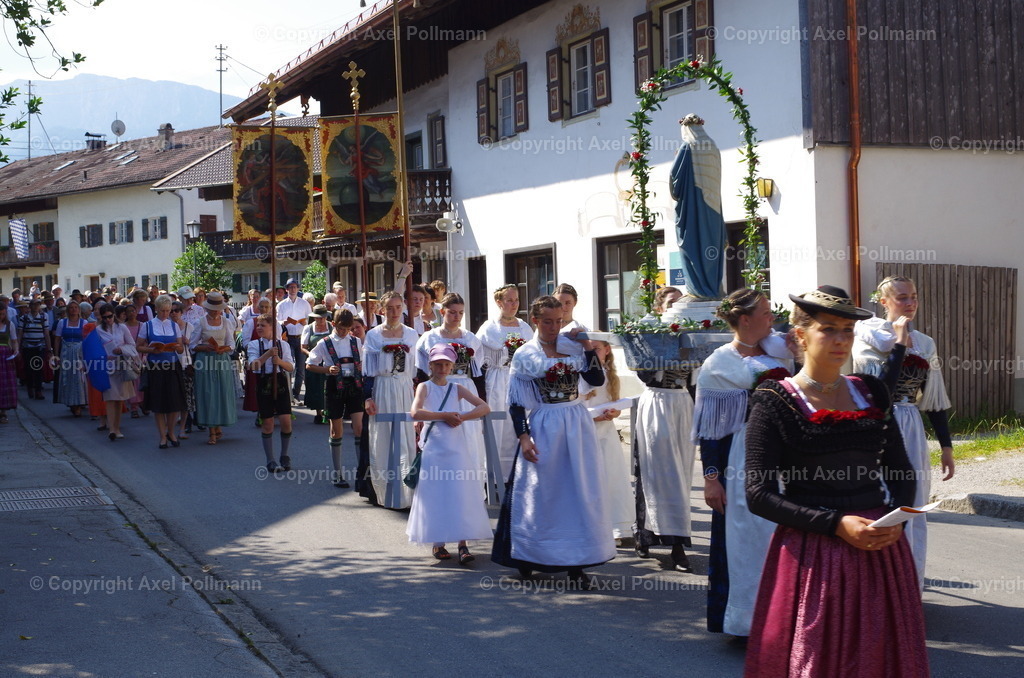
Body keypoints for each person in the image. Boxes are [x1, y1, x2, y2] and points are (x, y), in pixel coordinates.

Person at [743, 286, 927, 678]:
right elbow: (759, 494)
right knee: (819, 658)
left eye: (847, 330)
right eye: (828, 329)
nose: (841, 339)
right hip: (814, 552)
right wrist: (835, 524)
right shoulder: (774, 399)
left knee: (882, 657)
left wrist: (896, 521)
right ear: (800, 335)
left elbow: (900, 469)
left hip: (880, 548)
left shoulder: (871, 391)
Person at [491, 295, 614, 589]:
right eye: (547, 321)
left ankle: (577, 564)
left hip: (576, 421)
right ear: (535, 320)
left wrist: (587, 345)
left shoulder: (573, 347)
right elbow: (516, 403)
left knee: (577, 490)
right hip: (545, 423)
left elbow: (597, 380)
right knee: (541, 492)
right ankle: (530, 556)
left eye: (558, 321)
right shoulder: (525, 354)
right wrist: (524, 437)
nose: (554, 327)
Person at [693, 287, 795, 636]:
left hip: (785, 454)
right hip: (743, 457)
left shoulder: (780, 353)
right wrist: (711, 478)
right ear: (746, 320)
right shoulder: (719, 364)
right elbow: (710, 431)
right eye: (766, 312)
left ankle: (787, 617)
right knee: (746, 539)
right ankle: (747, 621)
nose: (772, 318)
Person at [853, 275, 954, 585]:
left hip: (910, 424)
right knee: (882, 498)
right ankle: (878, 583)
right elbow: (879, 388)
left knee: (914, 502)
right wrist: (898, 343)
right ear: (884, 302)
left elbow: (933, 398)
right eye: (902, 298)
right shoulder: (867, 336)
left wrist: (946, 447)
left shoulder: (925, 343)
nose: (910, 303)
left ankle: (909, 583)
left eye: (914, 296)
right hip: (877, 423)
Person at [631, 287, 699, 571]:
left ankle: (675, 541)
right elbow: (644, 372)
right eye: (671, 303)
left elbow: (695, 380)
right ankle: (649, 535)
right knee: (656, 471)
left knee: (681, 473)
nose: (676, 307)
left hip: (682, 403)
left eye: (679, 303)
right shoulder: (651, 331)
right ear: (659, 308)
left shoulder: (692, 333)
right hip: (657, 401)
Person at [408, 343, 492, 564]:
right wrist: (444, 415)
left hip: (456, 447)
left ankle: (463, 543)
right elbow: (415, 412)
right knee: (436, 492)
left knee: (459, 492)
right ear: (430, 365)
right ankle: (438, 541)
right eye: (438, 364)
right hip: (435, 447)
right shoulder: (424, 387)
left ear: (452, 366)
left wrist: (462, 417)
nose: (442, 368)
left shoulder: (457, 388)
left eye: (446, 364)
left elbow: (484, 407)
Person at [414, 293, 486, 480]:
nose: (457, 317)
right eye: (452, 312)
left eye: (461, 313)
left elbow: (478, 374)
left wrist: (479, 406)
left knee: (468, 438)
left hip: (465, 388)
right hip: (438, 388)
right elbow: (421, 374)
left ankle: (469, 485)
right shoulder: (430, 338)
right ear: (443, 312)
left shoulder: (470, 338)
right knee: (442, 436)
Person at [361, 292, 420, 506]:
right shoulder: (374, 336)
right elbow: (367, 370)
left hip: (405, 389)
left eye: (397, 307)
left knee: (406, 438)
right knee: (383, 438)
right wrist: (368, 397)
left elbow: (418, 369)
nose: (394, 312)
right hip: (383, 388)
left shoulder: (411, 334)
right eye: (389, 308)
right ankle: (386, 493)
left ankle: (407, 495)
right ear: (382, 309)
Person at [475, 284, 534, 480]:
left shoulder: (524, 327)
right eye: (509, 300)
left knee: (518, 424)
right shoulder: (489, 328)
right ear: (499, 302)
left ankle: (519, 475)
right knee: (498, 426)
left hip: (520, 380)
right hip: (498, 381)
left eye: (516, 300)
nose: (514, 304)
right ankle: (495, 477)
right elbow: (479, 360)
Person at [582, 340, 634, 542]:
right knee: (590, 478)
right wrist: (594, 417)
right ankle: (593, 527)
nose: (592, 353)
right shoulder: (584, 374)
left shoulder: (612, 375)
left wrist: (614, 413)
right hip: (587, 430)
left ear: (607, 350)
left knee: (611, 477)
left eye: (596, 349)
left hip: (607, 433)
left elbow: (615, 403)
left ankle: (616, 527)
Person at [137, 295, 186, 449]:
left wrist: (177, 347)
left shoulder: (174, 326)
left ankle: (171, 432)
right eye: (162, 311)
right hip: (156, 367)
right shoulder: (147, 325)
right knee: (158, 403)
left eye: (168, 311)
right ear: (156, 309)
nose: (165, 314)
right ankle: (162, 436)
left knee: (174, 402)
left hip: (172, 366)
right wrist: (152, 350)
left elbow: (181, 348)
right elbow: (138, 346)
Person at [248, 313, 295, 472]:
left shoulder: (283, 345)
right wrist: (267, 354)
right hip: (264, 383)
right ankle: (270, 459)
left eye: (263, 325)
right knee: (267, 423)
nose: (259, 328)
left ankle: (285, 455)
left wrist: (279, 361)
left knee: (286, 421)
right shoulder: (254, 345)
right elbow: (253, 366)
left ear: (272, 327)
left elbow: (290, 367)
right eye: (258, 325)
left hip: (280, 381)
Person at [191, 292, 238, 444]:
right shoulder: (200, 322)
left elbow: (231, 344)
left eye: (218, 309)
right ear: (207, 308)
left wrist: (223, 349)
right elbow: (192, 345)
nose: (216, 312)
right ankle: (211, 431)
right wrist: (206, 347)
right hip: (205, 361)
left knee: (221, 392)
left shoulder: (226, 322)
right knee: (208, 394)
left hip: (221, 360)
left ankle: (218, 426)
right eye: (213, 309)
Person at [94, 304, 137, 441]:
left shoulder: (122, 327)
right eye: (105, 317)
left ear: (114, 315)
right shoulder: (98, 330)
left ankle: (117, 428)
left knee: (119, 399)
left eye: (110, 316)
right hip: (107, 367)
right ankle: (112, 429)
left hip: (122, 365)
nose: (108, 320)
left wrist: (121, 349)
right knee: (110, 398)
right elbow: (94, 348)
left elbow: (132, 345)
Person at [277, 278, 312, 403]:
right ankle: (288, 394)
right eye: (290, 287)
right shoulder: (281, 305)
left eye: (294, 287)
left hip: (301, 337)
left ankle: (296, 394)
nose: (292, 289)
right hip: (287, 338)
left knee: (301, 368)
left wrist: (304, 322)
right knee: (289, 366)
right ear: (286, 290)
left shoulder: (304, 304)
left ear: (298, 289)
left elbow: (310, 320)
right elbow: (277, 322)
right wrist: (284, 322)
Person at [52, 300, 89, 416]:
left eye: (75, 307)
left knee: (79, 377)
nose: (73, 310)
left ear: (79, 310)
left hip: (79, 353)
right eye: (71, 308)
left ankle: (79, 402)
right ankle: (71, 402)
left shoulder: (84, 322)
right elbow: (57, 339)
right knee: (68, 378)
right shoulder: (62, 322)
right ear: (68, 310)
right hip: (66, 353)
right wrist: (56, 355)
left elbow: (87, 340)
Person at [170, 300, 199, 440]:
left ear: (181, 312)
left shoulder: (189, 326)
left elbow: (196, 345)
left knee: (187, 397)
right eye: (171, 311)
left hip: (186, 364)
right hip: (169, 364)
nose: (173, 313)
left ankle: (184, 427)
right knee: (173, 397)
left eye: (176, 310)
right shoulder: (166, 327)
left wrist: (188, 342)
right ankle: (171, 427)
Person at [301, 305, 332, 425]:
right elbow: (303, 347)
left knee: (329, 387)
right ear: (314, 318)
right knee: (315, 387)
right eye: (318, 318)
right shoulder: (308, 328)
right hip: (315, 362)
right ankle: (318, 413)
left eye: (323, 317)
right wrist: (311, 355)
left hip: (329, 361)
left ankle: (328, 411)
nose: (321, 320)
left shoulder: (331, 327)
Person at [18, 297, 51, 400]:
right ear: (30, 306)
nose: (36, 306)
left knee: (39, 368)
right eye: (34, 304)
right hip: (27, 347)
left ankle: (38, 390)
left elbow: (46, 333)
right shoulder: (23, 318)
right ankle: (30, 387)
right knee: (28, 368)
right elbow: (20, 334)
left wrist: (49, 349)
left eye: (38, 304)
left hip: (40, 346)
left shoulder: (43, 317)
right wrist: (18, 349)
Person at [116, 304, 145, 418]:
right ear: (125, 314)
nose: (132, 313)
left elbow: (146, 341)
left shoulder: (142, 325)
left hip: (140, 355)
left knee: (141, 380)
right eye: (129, 311)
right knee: (132, 381)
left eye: (133, 311)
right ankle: (134, 406)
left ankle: (142, 402)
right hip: (128, 356)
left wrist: (145, 355)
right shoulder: (123, 327)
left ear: (136, 312)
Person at [0, 302, 19, 424]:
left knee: (4, 383)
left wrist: (16, 350)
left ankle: (3, 411)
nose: (1, 316)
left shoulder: (9, 324)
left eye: (2, 314)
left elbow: (14, 340)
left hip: (5, 356)